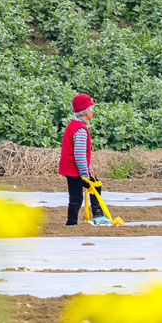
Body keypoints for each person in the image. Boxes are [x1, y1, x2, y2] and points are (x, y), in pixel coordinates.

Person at [58, 93, 110, 226]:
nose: (93, 111)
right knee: (76, 198)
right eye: (91, 108)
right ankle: (71, 222)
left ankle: (97, 215)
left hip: (74, 168)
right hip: (73, 170)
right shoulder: (80, 129)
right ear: (86, 112)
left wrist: (89, 168)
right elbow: (80, 155)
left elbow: (83, 154)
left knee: (95, 185)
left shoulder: (75, 124)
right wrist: (84, 175)